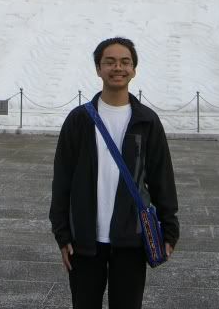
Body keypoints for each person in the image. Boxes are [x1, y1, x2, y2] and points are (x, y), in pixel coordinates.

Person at [50, 37, 179, 309]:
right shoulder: (79, 120)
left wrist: (170, 229)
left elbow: (161, 177)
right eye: (109, 62)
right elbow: (62, 181)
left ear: (134, 69)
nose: (117, 67)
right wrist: (62, 234)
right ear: (98, 69)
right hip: (85, 240)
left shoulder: (147, 121)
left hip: (131, 239)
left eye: (125, 62)